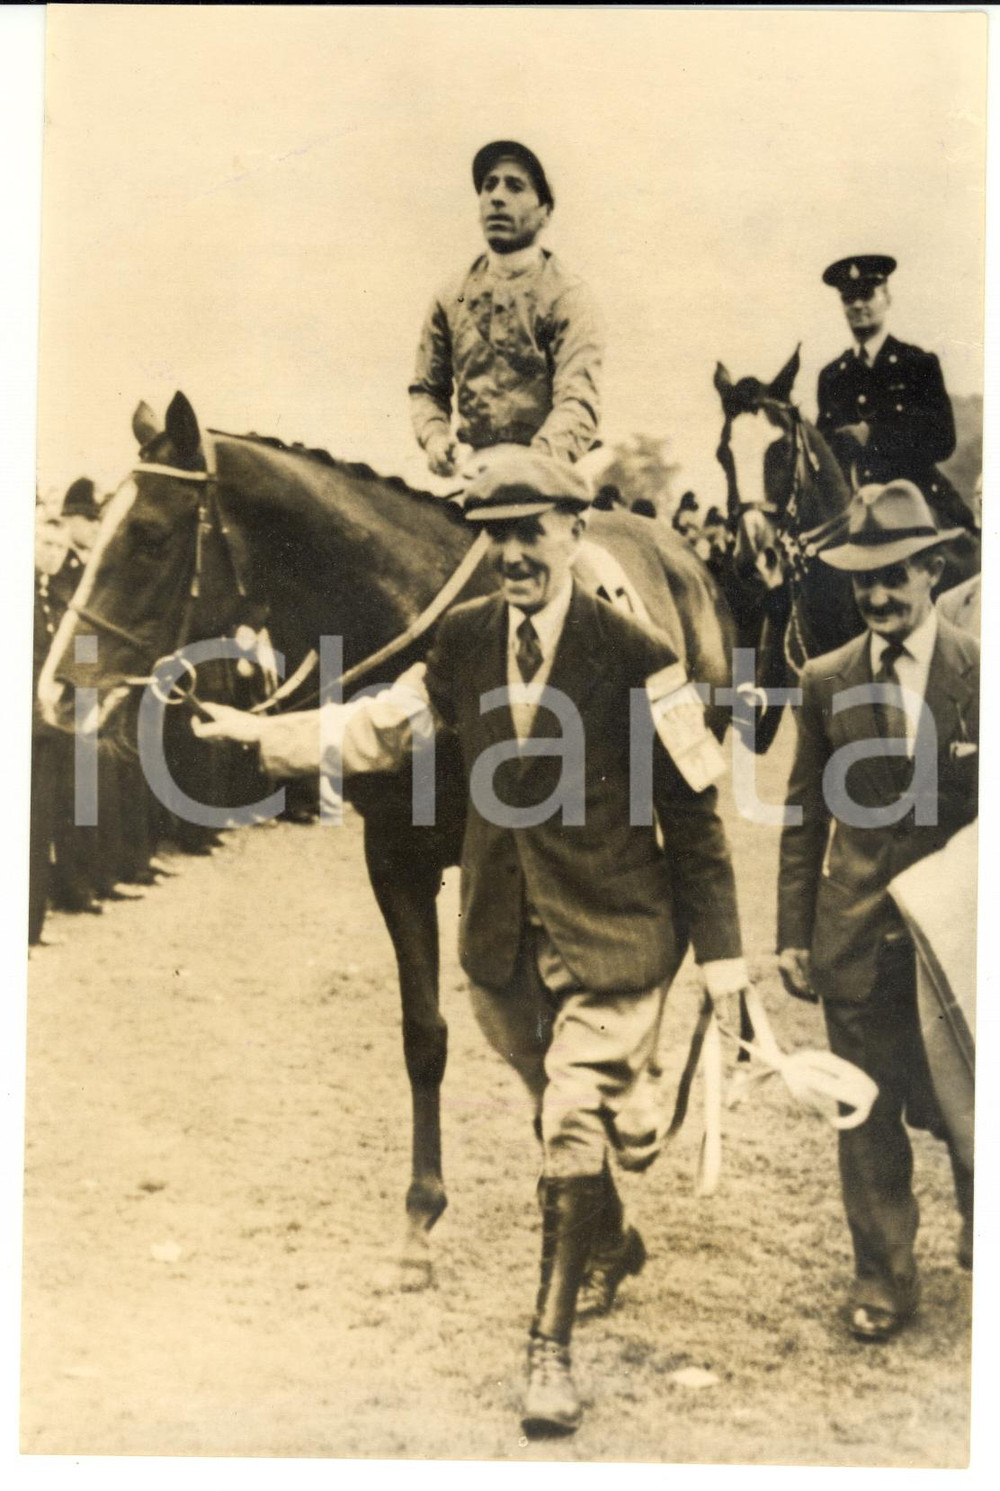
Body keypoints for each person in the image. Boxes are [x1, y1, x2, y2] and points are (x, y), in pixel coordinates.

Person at [194, 447, 747, 1436]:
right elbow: (379, 728)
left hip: (614, 931)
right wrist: (257, 734)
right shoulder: (459, 638)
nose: (513, 554)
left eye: (531, 532)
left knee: (570, 1117)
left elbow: (697, 817)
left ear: (573, 531)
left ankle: (549, 1351)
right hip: (502, 946)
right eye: (496, 536)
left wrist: (726, 963)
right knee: (560, 1106)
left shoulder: (639, 655)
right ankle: (608, 1224)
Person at [777, 479, 977, 1343]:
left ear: (933, 569)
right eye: (864, 579)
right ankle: (882, 1275)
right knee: (863, 1112)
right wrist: (792, 936)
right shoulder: (825, 679)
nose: (880, 595)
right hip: (855, 935)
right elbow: (802, 818)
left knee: (969, 1100)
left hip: (956, 944)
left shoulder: (982, 670)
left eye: (895, 574)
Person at [409, 141, 603, 478]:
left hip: (548, 472)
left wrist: (533, 465)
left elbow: (578, 402)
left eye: (515, 186)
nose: (497, 197)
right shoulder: (451, 296)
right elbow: (427, 390)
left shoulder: (568, 296)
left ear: (545, 212)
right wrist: (436, 438)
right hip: (472, 471)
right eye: (489, 186)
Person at [817, 256, 972, 533]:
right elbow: (824, 452)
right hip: (855, 509)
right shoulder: (832, 376)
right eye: (849, 298)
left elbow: (943, 440)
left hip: (918, 499)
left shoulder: (917, 364)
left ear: (886, 297)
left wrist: (873, 436)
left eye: (866, 294)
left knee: (969, 546)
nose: (858, 305)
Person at [29, 516, 70, 946]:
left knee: (41, 827)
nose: (54, 554)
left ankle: (31, 927)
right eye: (46, 544)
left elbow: (82, 651)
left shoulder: (59, 597)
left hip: (52, 725)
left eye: (60, 546)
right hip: (28, 725)